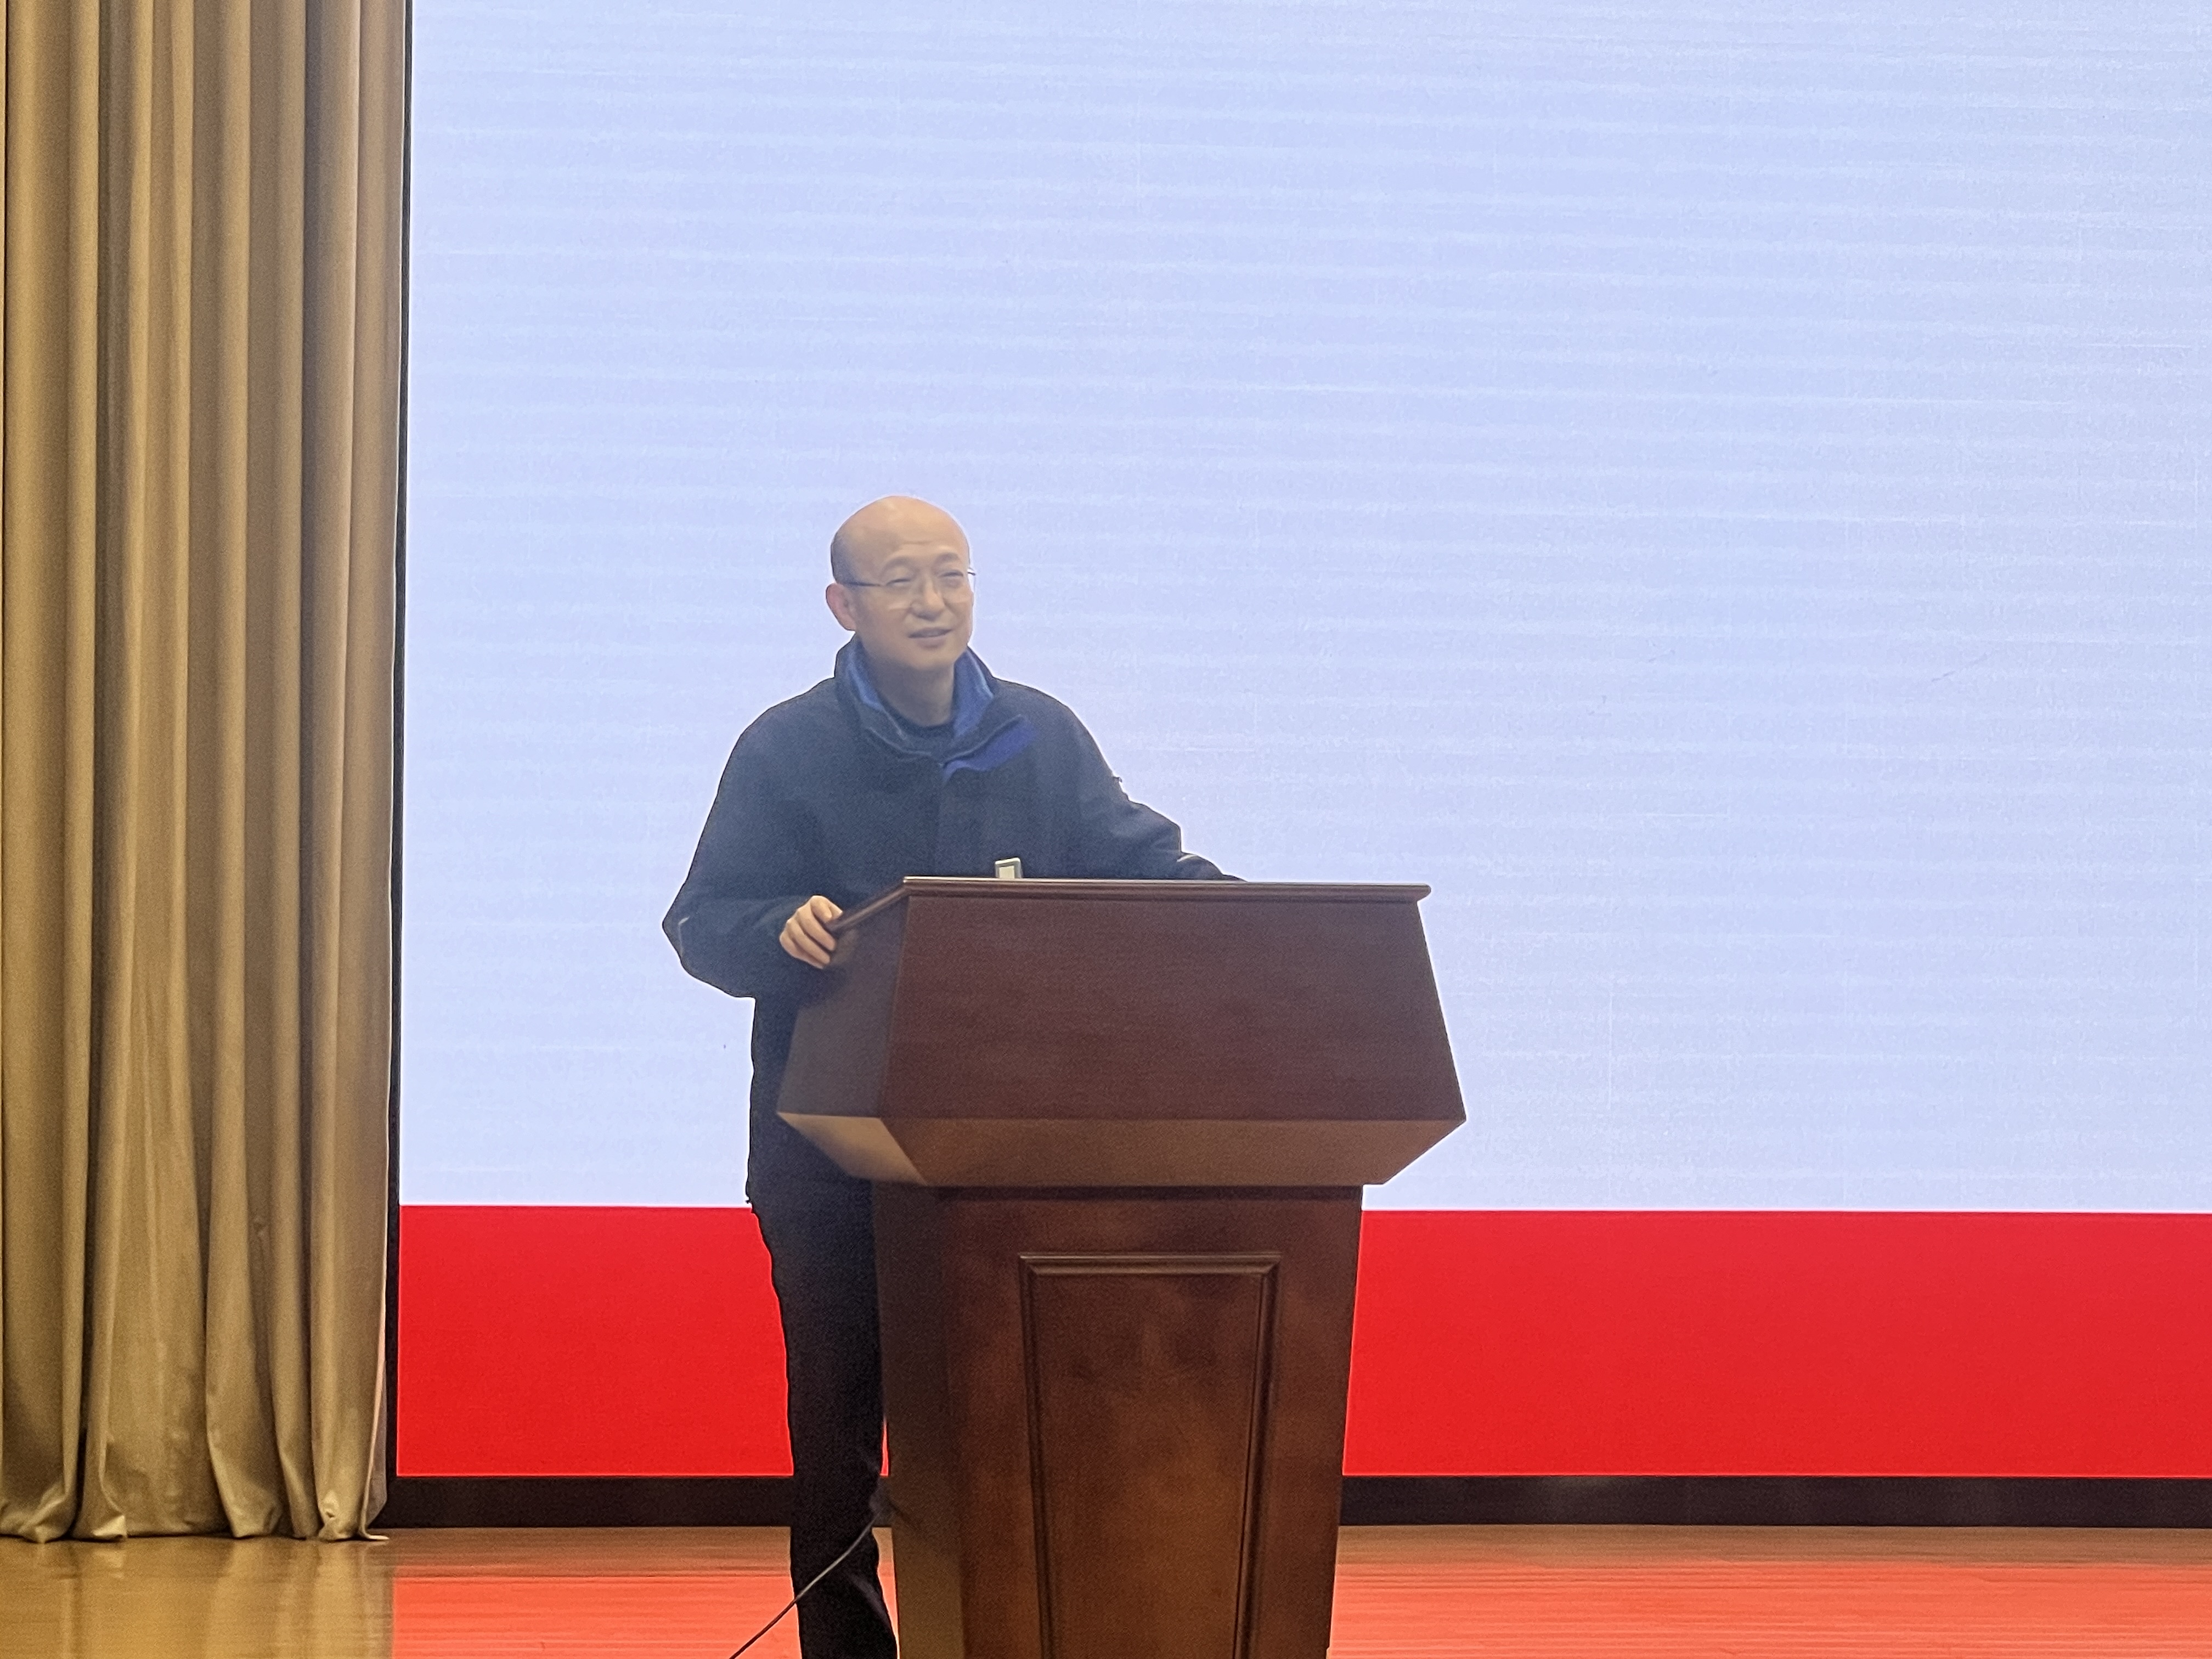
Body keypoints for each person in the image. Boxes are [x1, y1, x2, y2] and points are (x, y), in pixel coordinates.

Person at [663, 496, 1227, 1659]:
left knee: (1003, 1420)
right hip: (829, 1158)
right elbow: (701, 921)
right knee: (838, 1428)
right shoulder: (787, 748)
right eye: (902, 581)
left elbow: (1141, 864)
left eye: (952, 575)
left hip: (1004, 1159)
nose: (933, 602)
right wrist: (777, 927)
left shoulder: (1037, 736)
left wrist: (1252, 924)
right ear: (844, 606)